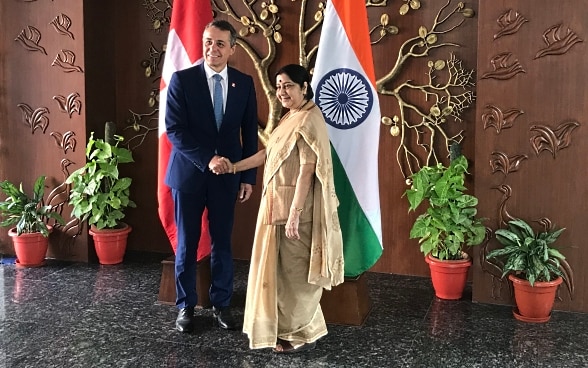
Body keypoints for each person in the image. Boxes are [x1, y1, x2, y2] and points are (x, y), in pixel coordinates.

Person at [221, 64, 344, 353]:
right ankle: (282, 329)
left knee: (295, 274)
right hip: (275, 204)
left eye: (288, 85)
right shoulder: (291, 117)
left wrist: (295, 214)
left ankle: (298, 332)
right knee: (277, 272)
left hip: (295, 211)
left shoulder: (309, 119)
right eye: (278, 86)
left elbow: (306, 170)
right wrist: (235, 168)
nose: (282, 92)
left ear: (304, 87)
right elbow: (269, 153)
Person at [164, 19, 258, 333]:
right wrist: (209, 159)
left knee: (223, 244)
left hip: (228, 177)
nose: (212, 48)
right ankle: (186, 306)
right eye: (207, 41)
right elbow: (175, 131)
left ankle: (222, 304)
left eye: (219, 43)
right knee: (188, 244)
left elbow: (249, 132)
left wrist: (248, 177)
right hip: (189, 176)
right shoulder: (182, 80)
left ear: (232, 48)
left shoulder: (244, 83)